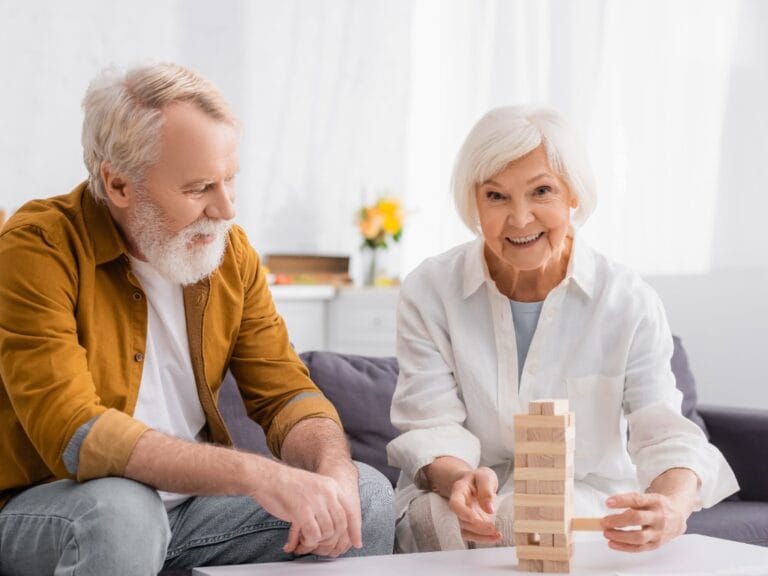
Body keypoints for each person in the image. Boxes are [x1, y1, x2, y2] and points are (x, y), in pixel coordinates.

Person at [0, 63, 394, 575]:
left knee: (365, 495)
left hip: (189, 512)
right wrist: (257, 476)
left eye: (230, 179)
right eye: (199, 188)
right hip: (50, 509)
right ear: (118, 184)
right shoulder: (37, 248)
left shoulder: (230, 255)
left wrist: (332, 469)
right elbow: (76, 434)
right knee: (123, 513)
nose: (226, 208)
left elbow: (285, 392)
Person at [386, 106, 738, 554]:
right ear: (473, 202)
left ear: (574, 195)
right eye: (496, 196)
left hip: (584, 504)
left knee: (547, 524)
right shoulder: (430, 289)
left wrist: (671, 508)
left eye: (541, 191)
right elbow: (431, 424)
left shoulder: (626, 300)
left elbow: (664, 431)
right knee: (488, 522)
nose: (519, 218)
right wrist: (460, 479)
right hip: (457, 504)